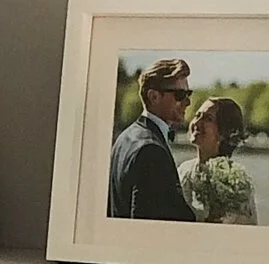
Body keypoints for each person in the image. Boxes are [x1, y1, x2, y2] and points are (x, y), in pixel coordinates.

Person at [108, 61, 196, 219]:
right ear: (154, 97)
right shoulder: (151, 151)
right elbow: (149, 224)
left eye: (188, 94)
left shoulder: (124, 138)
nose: (188, 102)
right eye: (180, 95)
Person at [182, 95, 258, 223]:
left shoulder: (234, 181)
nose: (197, 122)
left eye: (208, 118)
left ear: (224, 132)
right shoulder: (184, 169)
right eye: (197, 115)